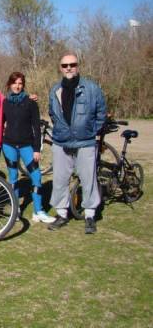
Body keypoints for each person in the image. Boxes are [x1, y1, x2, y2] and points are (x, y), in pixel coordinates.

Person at [48, 52, 106, 234]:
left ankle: (89, 215)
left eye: (72, 64)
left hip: (85, 142)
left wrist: (90, 131)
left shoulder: (91, 88)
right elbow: (52, 113)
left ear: (78, 66)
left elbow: (101, 113)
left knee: (88, 180)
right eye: (65, 65)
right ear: (60, 68)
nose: (69, 68)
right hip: (61, 142)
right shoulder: (55, 90)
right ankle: (62, 214)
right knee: (59, 180)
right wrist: (61, 129)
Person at [2, 72, 56, 223]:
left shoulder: (31, 102)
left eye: (20, 83)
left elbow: (36, 128)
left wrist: (37, 149)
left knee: (36, 176)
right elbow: (0, 123)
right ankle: (16, 209)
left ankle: (38, 211)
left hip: (27, 145)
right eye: (14, 83)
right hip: (9, 146)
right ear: (9, 84)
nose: (17, 86)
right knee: (13, 178)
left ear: (23, 85)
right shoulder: (5, 102)